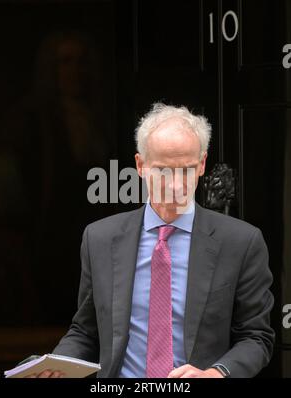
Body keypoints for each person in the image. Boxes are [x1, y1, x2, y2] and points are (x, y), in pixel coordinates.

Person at [26, 103, 275, 378]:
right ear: (140, 165)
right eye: (163, 171)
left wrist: (216, 374)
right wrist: (56, 367)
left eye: (187, 170)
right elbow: (86, 332)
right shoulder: (100, 238)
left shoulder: (241, 242)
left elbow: (256, 337)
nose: (176, 185)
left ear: (203, 164)